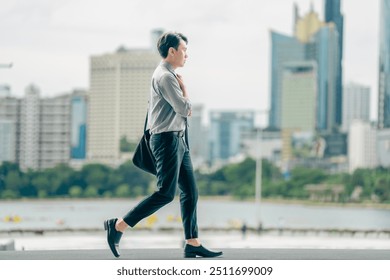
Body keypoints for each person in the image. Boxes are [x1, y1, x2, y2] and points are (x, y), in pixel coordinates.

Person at [104, 31, 222, 259]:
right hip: (167, 140)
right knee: (165, 193)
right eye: (184, 50)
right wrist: (185, 90)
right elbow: (184, 109)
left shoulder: (168, 74)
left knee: (190, 191)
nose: (187, 54)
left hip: (177, 139)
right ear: (172, 51)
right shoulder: (166, 77)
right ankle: (118, 226)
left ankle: (192, 242)